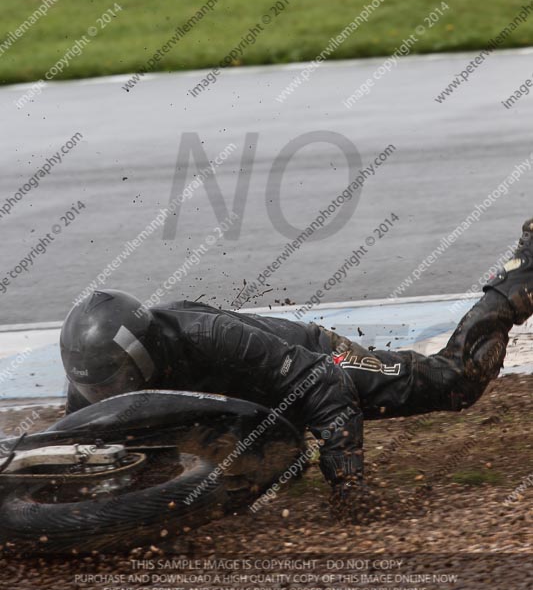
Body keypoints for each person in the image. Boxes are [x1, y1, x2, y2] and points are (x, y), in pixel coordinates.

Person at [60, 217, 533, 510]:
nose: (107, 395)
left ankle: (516, 280)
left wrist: (348, 484)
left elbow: (323, 382)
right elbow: (84, 447)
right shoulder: (96, 373)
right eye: (97, 387)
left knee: (454, 384)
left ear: (145, 354)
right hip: (243, 408)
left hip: (309, 363)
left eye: (116, 381)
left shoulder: (208, 337)